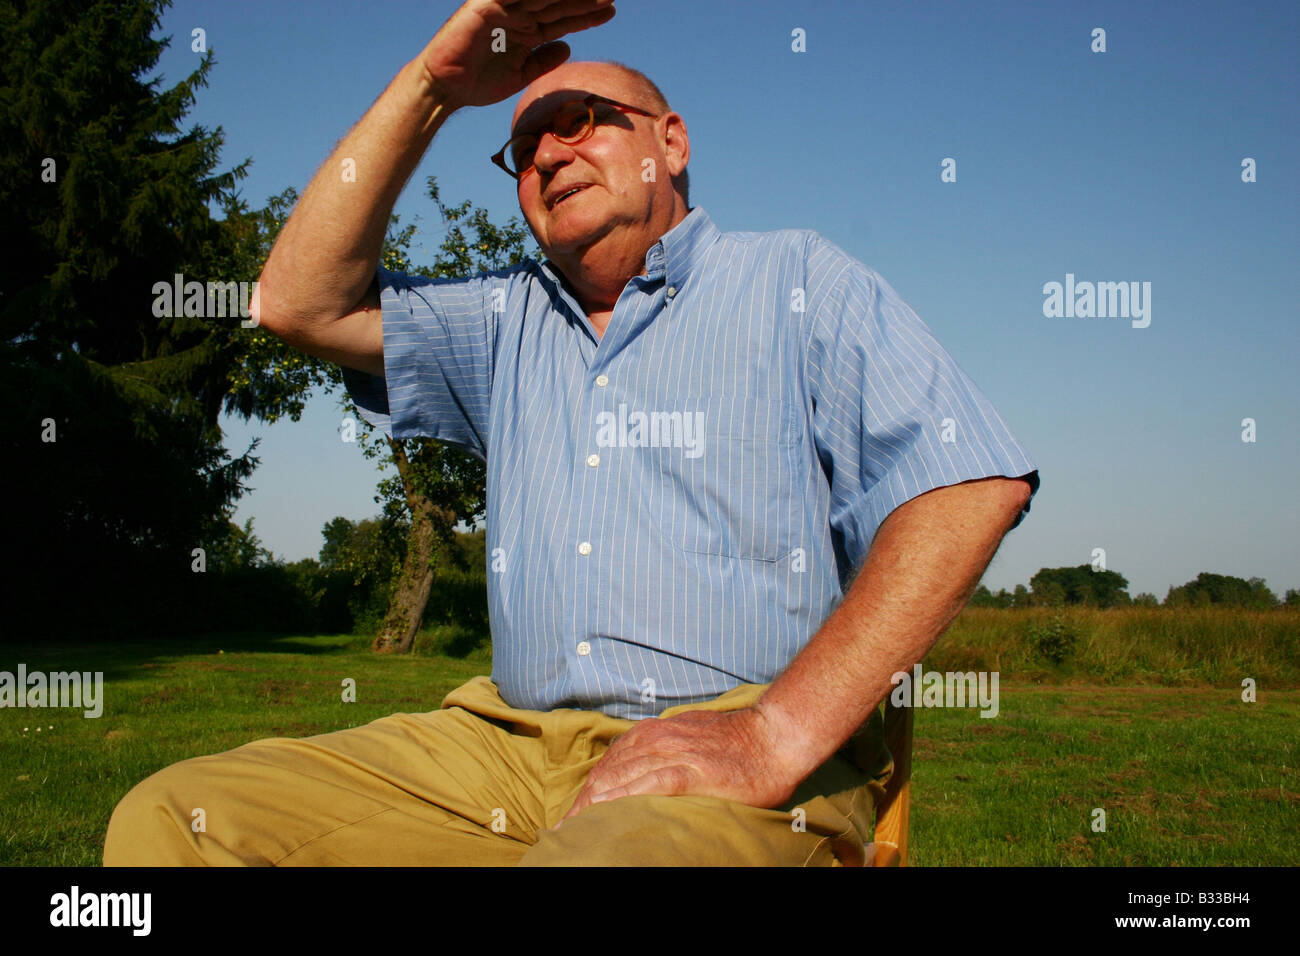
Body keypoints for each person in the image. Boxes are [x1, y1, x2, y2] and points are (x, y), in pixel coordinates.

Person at [104, 0, 1039, 866]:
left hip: (737, 758)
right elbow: (298, 305)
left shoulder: (795, 281)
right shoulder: (503, 320)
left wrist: (776, 735)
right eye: (521, 145)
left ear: (669, 143)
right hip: (498, 746)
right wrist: (433, 90)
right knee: (171, 823)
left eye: (581, 119)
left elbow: (966, 485)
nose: (547, 153)